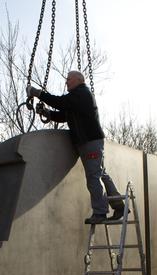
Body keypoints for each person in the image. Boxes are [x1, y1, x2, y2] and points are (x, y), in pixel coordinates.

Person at [26, 70, 125, 224]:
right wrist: (48, 113)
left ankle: (100, 213)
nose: (66, 82)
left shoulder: (81, 93)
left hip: (90, 142)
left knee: (93, 177)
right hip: (90, 142)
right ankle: (119, 206)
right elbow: (64, 114)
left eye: (69, 79)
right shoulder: (78, 98)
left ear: (79, 80)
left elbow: (60, 102)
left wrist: (37, 93)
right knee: (100, 173)